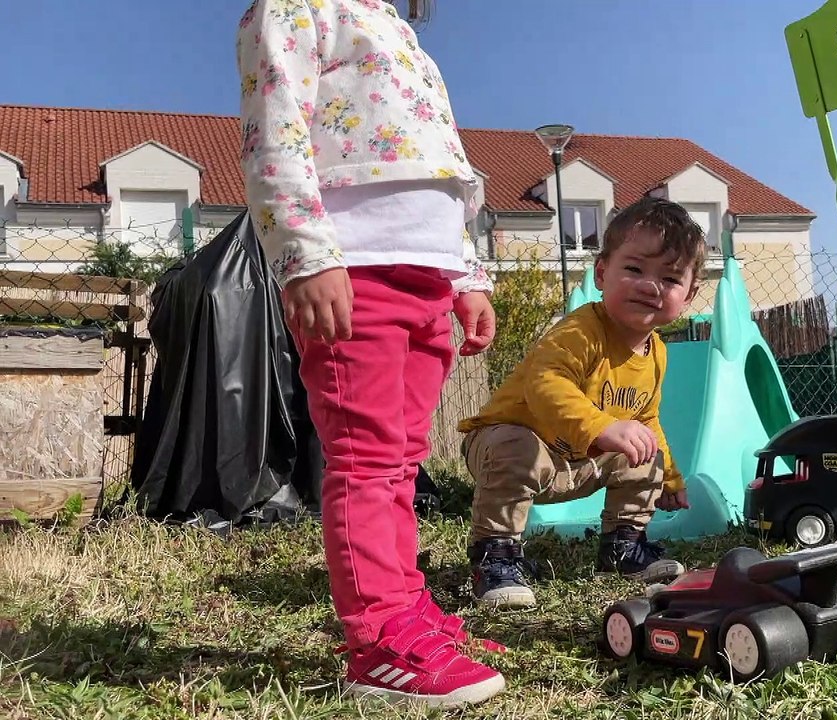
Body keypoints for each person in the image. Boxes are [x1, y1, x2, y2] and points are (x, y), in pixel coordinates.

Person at [236, 0, 506, 708]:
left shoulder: (398, 28)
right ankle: (379, 641)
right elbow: (276, 130)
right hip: (353, 272)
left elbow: (443, 163)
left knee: (404, 460)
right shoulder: (296, 8)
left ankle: (409, 612)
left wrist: (466, 276)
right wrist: (304, 257)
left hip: (426, 276)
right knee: (368, 458)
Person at [457, 197, 705, 608]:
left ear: (690, 294)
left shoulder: (658, 353)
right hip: (509, 449)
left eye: (670, 278)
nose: (649, 285)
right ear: (602, 272)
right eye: (633, 269)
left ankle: (624, 546)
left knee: (644, 445)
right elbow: (545, 383)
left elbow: (647, 417)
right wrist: (602, 427)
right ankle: (494, 557)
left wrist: (671, 478)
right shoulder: (582, 330)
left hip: (574, 462)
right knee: (512, 443)